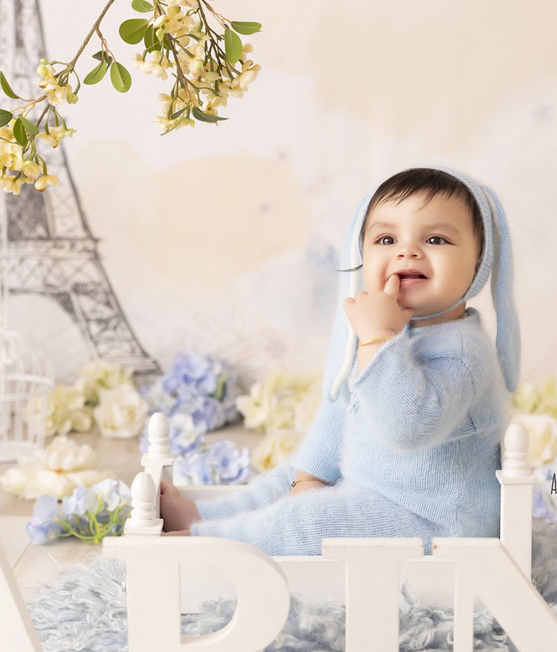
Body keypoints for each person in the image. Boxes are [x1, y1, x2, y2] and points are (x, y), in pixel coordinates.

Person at [159, 166, 520, 556]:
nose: (407, 251)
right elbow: (342, 409)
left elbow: (405, 426)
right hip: (376, 491)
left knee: (305, 521)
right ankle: (201, 517)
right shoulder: (386, 329)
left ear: (480, 260)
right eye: (386, 238)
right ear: (361, 252)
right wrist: (309, 476)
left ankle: (200, 547)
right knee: (290, 476)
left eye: (435, 238)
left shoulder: (464, 351)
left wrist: (379, 340)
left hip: (436, 522)